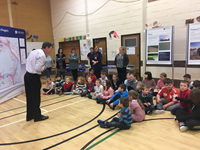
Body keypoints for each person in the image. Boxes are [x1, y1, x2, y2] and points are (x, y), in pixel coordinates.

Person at [24, 41, 53, 122]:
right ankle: (37, 116)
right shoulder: (42, 55)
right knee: (36, 97)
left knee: (30, 97)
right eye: (50, 49)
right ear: (46, 48)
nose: (51, 51)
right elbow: (37, 68)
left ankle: (30, 115)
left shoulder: (33, 52)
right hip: (33, 77)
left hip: (27, 76)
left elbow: (27, 61)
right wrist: (43, 68)